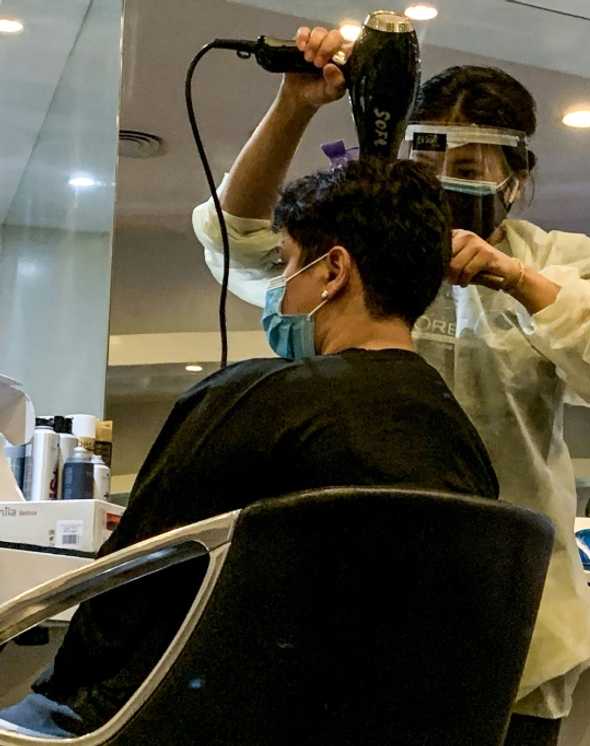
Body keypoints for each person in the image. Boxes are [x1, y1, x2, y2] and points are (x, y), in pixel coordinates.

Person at [191, 27, 590, 744]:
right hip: (349, 614)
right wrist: (294, 105)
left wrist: (513, 279)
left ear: (517, 175)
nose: (448, 179)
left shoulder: (564, 262)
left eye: (473, 163)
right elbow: (239, 240)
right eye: (433, 156)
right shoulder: (362, 252)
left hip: (515, 625)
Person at [0, 158, 499, 737]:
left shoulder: (250, 399)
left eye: (287, 263)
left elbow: (122, 604)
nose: (279, 289)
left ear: (333, 269)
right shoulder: (464, 445)